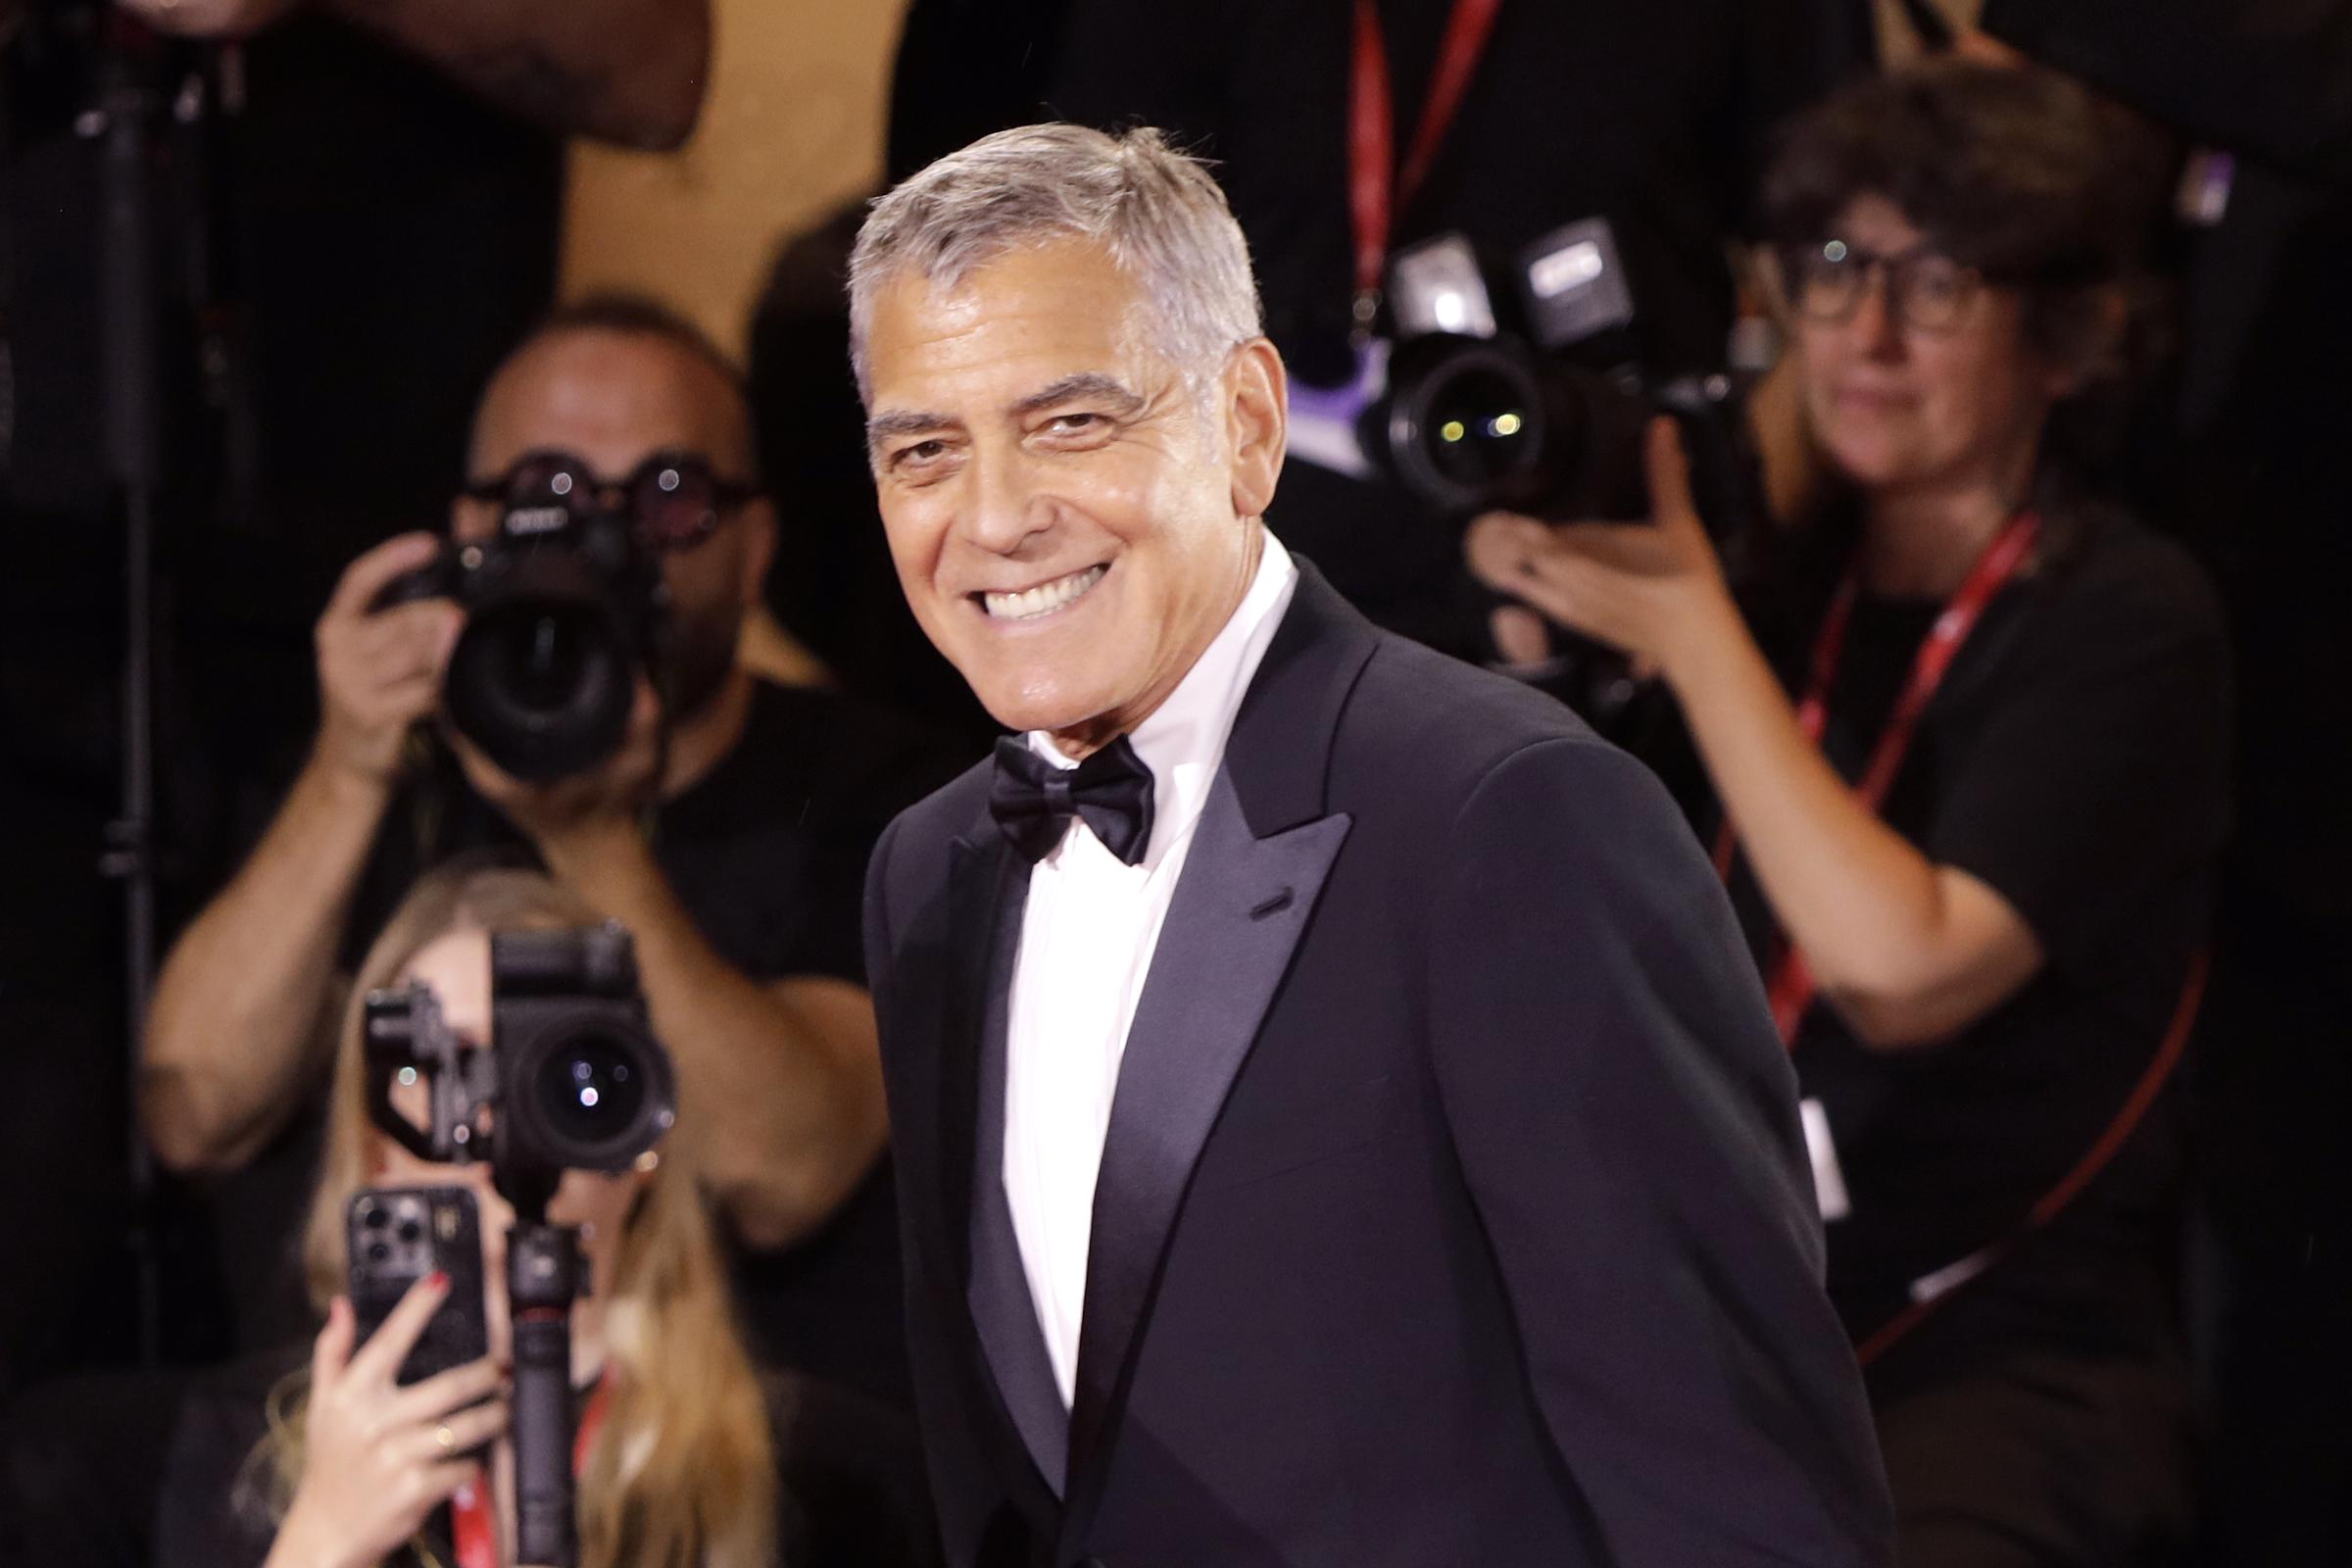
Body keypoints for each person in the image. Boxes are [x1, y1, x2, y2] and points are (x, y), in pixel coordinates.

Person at [853, 122, 1892, 1565]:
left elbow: (1740, 1506)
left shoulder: (1508, 820)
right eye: (925, 451)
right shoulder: (928, 873)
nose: (996, 518)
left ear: (1247, 425)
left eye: (1070, 423)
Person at [1465, 62, 2230, 1565]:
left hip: (1989, 1333)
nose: (1866, 336)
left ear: (2065, 338)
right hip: (1718, 1286)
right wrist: (1550, 661)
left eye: (1935, 287)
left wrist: (1697, 640)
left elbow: (1902, 968)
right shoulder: (1782, 569)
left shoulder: (2128, 617)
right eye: (1835, 269)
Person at [141, 295, 960, 1397]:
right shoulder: (374, 767)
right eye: (549, 492)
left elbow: (782, 1172)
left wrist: (587, 836)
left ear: (755, 545)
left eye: (667, 496)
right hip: (381, 1420)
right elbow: (194, 1111)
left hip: (734, 1440)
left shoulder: (885, 794)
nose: (601, 541)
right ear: (467, 528)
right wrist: (345, 770)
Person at [150, 860, 935, 1568]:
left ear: (641, 1128)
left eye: (553, 1067)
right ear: (374, 1138)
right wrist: (324, 1541)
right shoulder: (246, 1452)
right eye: (442, 1066)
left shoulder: (819, 1468)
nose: (496, 1118)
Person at [1042, 0, 1875, 659]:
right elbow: (1091, 279)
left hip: (1607, 591)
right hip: (1251, 596)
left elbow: (1849, 284)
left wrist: (1719, 573)